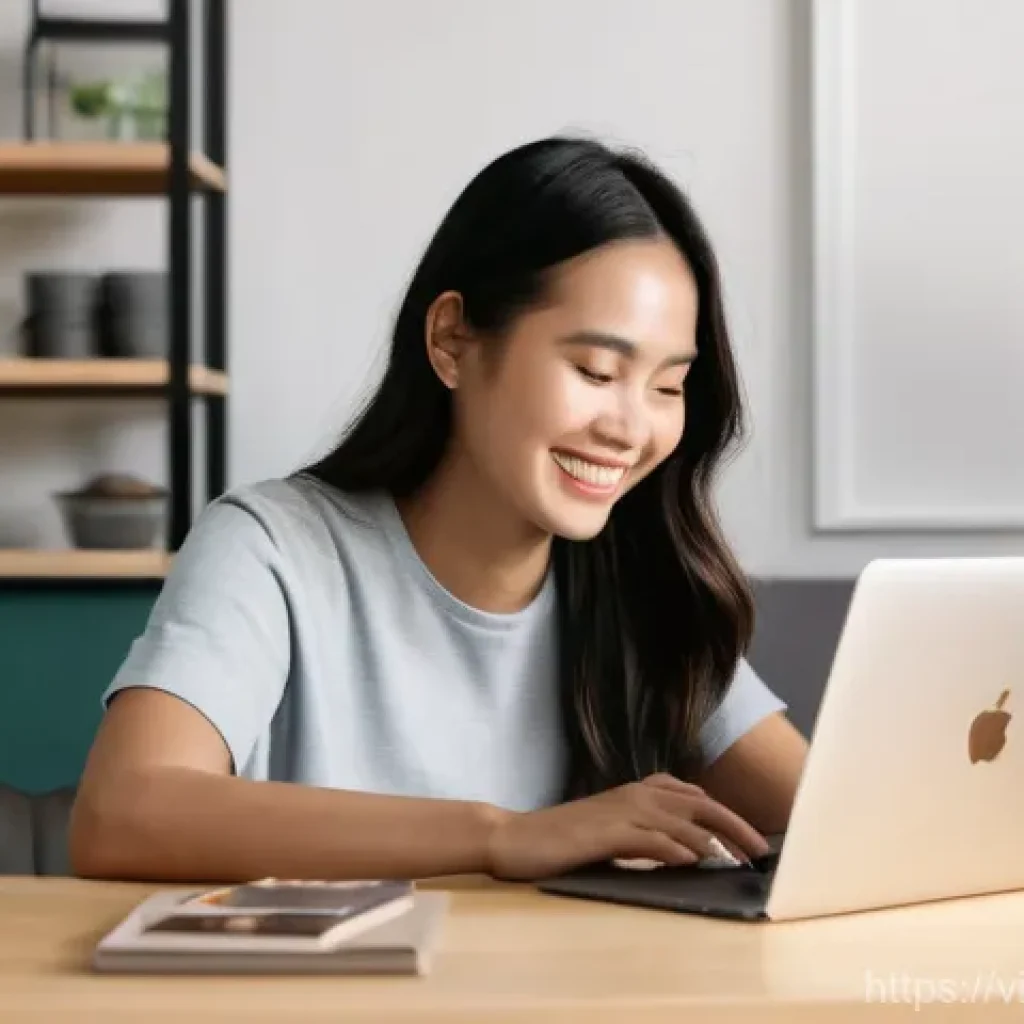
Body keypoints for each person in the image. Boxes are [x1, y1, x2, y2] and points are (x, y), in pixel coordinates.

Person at [69, 136, 808, 885]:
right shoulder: (271, 550)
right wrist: (501, 836)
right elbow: (121, 815)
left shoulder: (644, 591)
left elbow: (839, 831)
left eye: (668, 387)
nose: (629, 428)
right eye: (596, 370)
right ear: (453, 339)